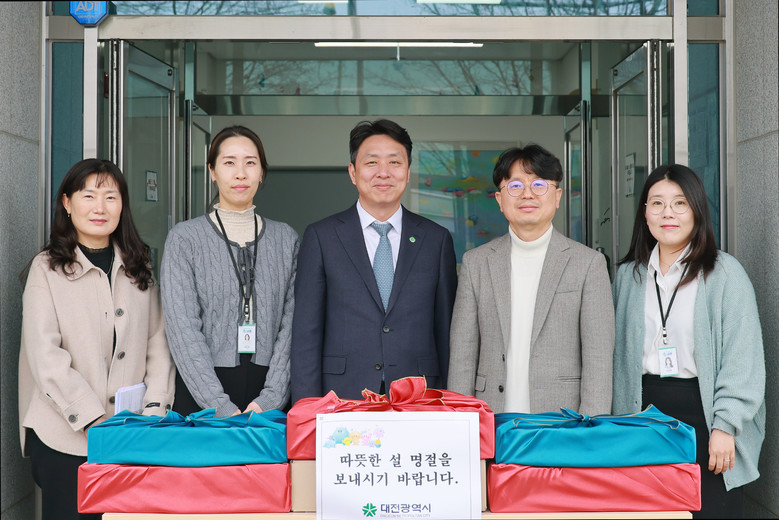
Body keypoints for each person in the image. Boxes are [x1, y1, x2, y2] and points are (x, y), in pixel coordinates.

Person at [18, 159, 175, 520]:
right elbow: (45, 356)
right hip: (65, 438)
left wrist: (153, 412)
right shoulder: (46, 269)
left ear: (123, 205)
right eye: (88, 196)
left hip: (130, 436)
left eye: (110, 197)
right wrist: (93, 420)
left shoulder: (139, 267)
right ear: (67, 203)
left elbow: (158, 344)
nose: (100, 207)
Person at [612, 164, 765, 518]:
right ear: (645, 213)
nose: (668, 213)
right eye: (657, 203)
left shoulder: (724, 274)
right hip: (641, 415)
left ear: (696, 210)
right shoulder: (628, 276)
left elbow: (743, 359)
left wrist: (725, 426)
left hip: (705, 417)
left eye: (680, 203)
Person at [291, 119, 457, 402]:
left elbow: (447, 331)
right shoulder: (322, 236)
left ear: (408, 171)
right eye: (371, 163)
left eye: (394, 162)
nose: (383, 172)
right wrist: (307, 407)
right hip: (341, 394)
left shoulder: (436, 240)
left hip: (419, 396)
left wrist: (449, 402)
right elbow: (306, 332)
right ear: (353, 172)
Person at [447, 144, 614, 415]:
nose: (527, 194)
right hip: (491, 417)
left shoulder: (588, 264)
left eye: (539, 184)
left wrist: (590, 427)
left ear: (557, 196)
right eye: (515, 186)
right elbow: (462, 355)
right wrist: (462, 423)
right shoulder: (476, 263)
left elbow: (599, 359)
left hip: (562, 420)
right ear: (500, 200)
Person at [161, 125, 298, 416]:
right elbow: (183, 329)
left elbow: (293, 325)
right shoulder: (184, 239)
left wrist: (271, 399)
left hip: (269, 392)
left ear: (262, 172)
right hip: (201, 393)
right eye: (229, 163)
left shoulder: (286, 239)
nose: (240, 174)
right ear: (212, 171)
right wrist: (219, 406)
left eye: (250, 163)